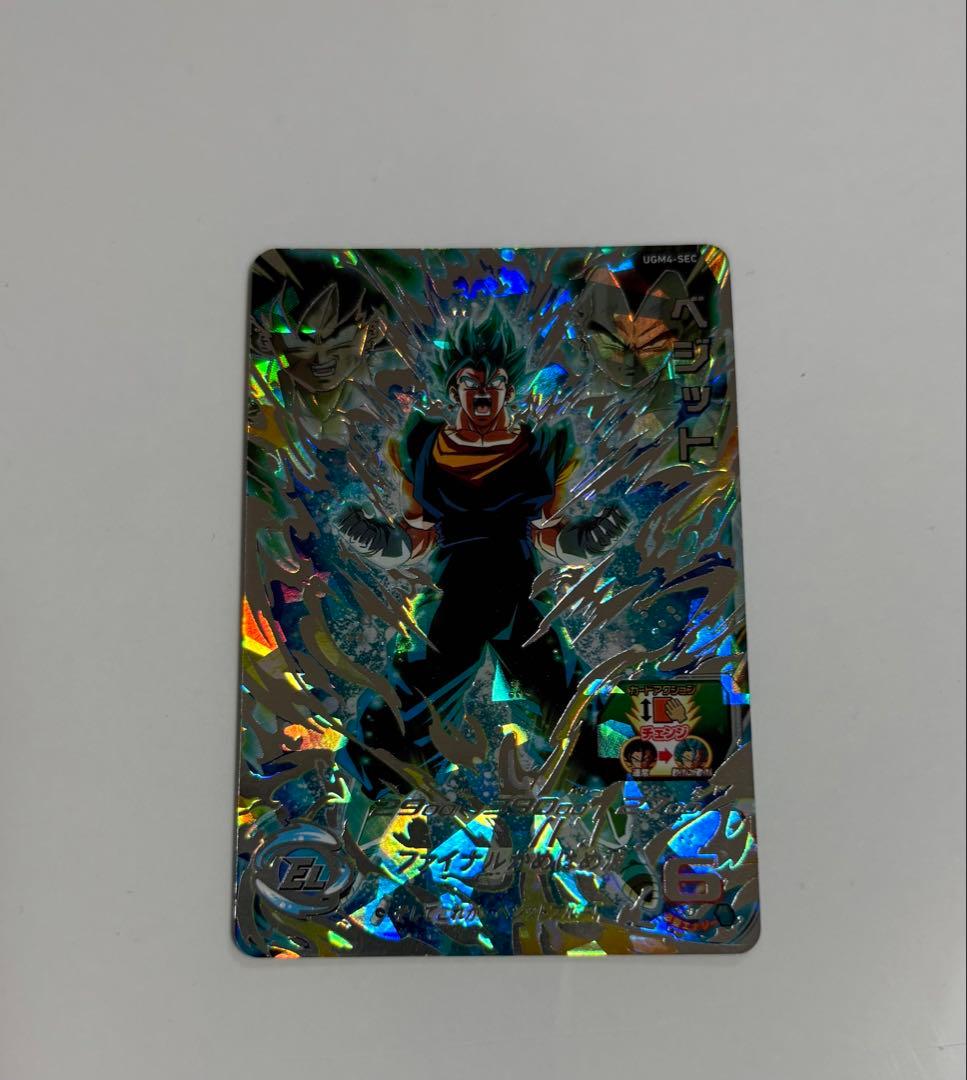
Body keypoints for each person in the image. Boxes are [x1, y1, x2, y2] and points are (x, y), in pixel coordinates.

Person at [335, 305, 629, 797]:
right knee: (413, 696)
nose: (483, 391)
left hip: (518, 595)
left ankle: (607, 780)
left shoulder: (541, 448)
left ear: (509, 390)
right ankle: (381, 791)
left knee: (561, 690)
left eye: (495, 381)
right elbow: (415, 539)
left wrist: (590, 539)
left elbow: (549, 535)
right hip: (453, 596)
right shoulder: (422, 446)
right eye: (471, 381)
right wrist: (372, 538)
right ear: (454, 390)